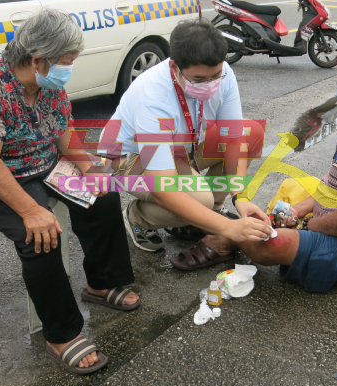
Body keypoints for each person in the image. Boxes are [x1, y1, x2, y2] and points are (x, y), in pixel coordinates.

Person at [0, 9, 139, 375]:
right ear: (37, 60)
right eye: (67, 61)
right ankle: (61, 332)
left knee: (103, 194)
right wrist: (31, 210)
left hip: (39, 160)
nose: (70, 68)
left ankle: (101, 283)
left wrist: (90, 169)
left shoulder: (47, 81)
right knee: (40, 232)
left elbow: (62, 130)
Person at [192, 41, 337, 292]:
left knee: (271, 244)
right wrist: (298, 212)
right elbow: (333, 183)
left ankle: (232, 235)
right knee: (287, 202)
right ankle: (240, 229)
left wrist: (308, 225)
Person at [100, 19, 272, 263]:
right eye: (198, 79)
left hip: (182, 149)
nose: (210, 84)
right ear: (174, 68)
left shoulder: (224, 73)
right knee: (199, 196)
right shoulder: (154, 98)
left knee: (251, 132)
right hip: (131, 162)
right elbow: (163, 187)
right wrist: (227, 228)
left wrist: (240, 197)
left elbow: (233, 138)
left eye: (215, 76)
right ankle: (138, 216)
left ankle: (199, 215)